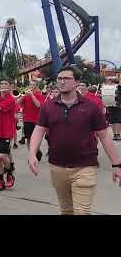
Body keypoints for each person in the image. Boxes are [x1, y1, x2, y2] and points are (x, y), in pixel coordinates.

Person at [28, 66, 121, 215]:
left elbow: (104, 136)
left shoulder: (91, 107)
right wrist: (32, 153)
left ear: (77, 82)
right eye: (59, 78)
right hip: (57, 167)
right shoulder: (48, 106)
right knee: (66, 210)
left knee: (82, 212)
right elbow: (39, 130)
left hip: (85, 167)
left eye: (66, 78)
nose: (62, 81)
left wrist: (116, 164)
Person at [17, 81, 45, 161]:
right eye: (30, 85)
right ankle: (32, 155)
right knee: (28, 139)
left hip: (37, 121)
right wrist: (23, 96)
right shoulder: (25, 95)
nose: (31, 86)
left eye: (33, 85)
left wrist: (32, 95)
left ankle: (37, 151)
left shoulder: (39, 95)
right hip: (27, 120)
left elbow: (38, 105)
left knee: (36, 140)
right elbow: (17, 103)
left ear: (36, 86)